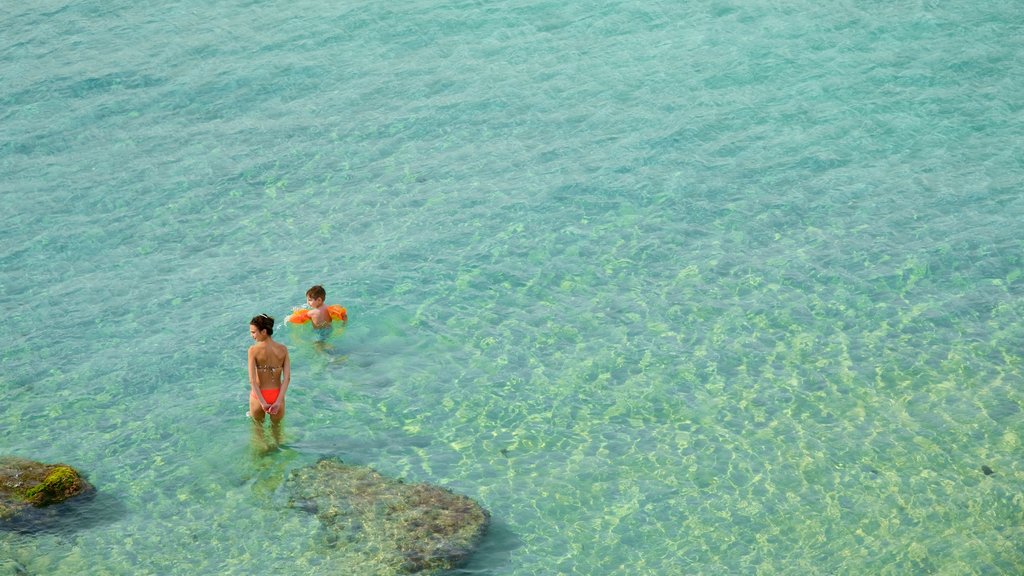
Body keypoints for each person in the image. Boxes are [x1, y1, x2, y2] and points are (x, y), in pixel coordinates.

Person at [248, 314, 291, 442]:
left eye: (254, 332)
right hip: (277, 395)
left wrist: (262, 403)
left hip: (259, 396)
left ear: (264, 331)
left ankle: (263, 460)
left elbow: (252, 380)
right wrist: (277, 402)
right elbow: (287, 378)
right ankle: (279, 458)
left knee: (258, 434)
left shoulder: (253, 350)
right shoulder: (283, 349)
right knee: (277, 435)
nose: (252, 335)